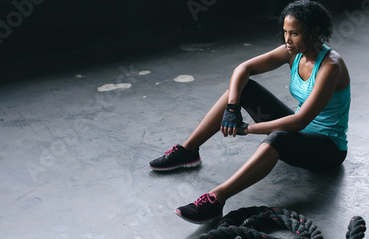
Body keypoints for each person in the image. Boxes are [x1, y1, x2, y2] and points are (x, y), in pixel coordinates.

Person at [149, 0, 351, 224]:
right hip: (300, 136)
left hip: (327, 150)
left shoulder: (331, 66)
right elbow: (243, 69)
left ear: (315, 31)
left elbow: (299, 122)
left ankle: (216, 200)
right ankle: (188, 151)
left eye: (294, 33)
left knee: (280, 137)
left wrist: (247, 129)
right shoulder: (292, 53)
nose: (287, 39)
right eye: (285, 32)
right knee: (244, 88)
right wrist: (232, 108)